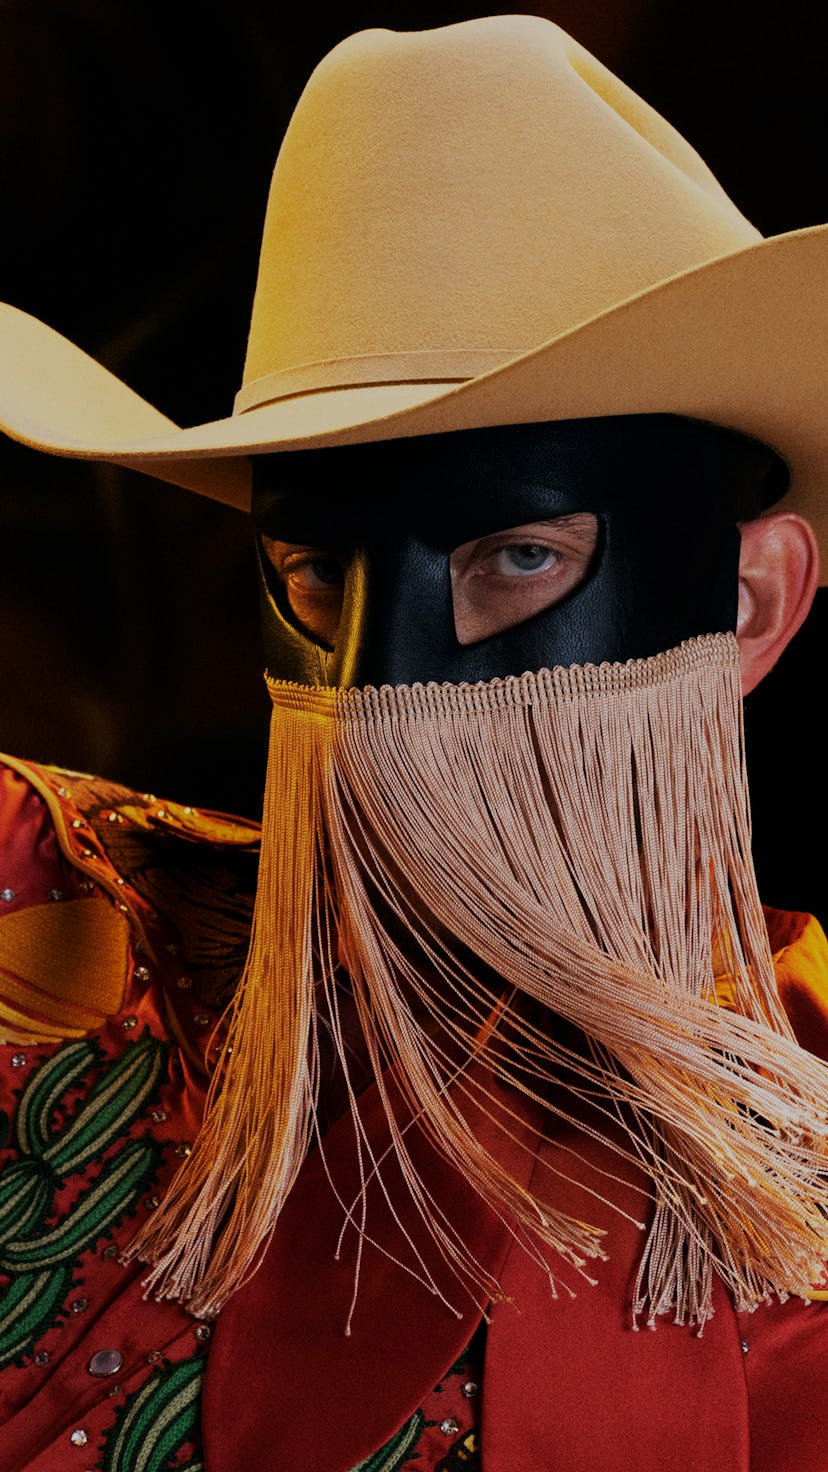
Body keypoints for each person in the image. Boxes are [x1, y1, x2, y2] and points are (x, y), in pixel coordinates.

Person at [1, 15, 827, 1470]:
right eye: (317, 577)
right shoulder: (60, 929)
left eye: (516, 559)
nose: (381, 696)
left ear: (749, 603)